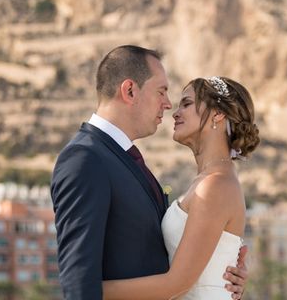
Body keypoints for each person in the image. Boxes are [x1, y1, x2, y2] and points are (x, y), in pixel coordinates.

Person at [51, 46, 248, 300]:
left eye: (183, 102)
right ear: (130, 91)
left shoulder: (126, 161)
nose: (169, 106)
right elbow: (78, 280)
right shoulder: (85, 159)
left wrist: (220, 273)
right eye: (162, 91)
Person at [102, 75, 260, 299]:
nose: (175, 113)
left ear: (218, 113)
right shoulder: (208, 181)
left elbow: (176, 284)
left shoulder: (215, 186)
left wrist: (90, 289)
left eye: (186, 104)